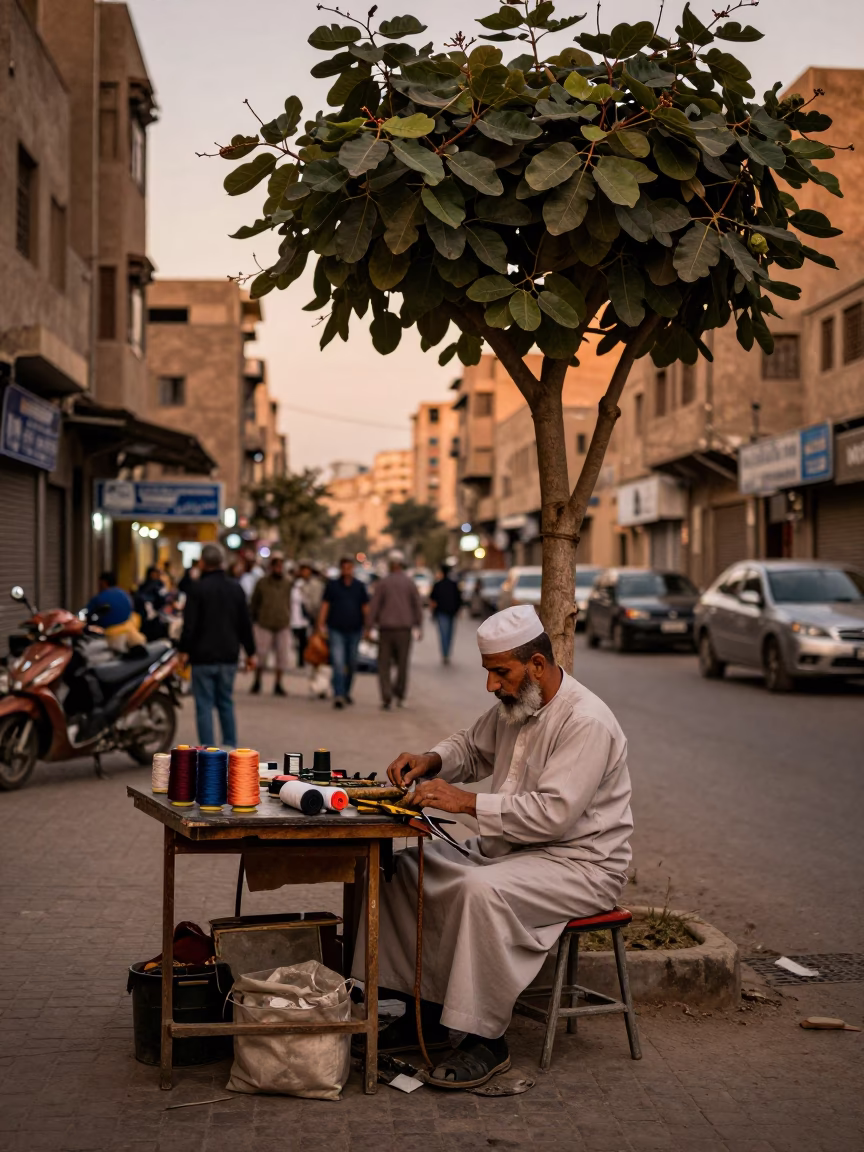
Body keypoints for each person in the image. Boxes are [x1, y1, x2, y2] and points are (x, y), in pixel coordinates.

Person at [354, 604, 632, 1089]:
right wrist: (432, 759)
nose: (491, 685)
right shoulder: (517, 703)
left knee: (480, 890)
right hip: (514, 852)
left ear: (537, 666)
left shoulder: (586, 721)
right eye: (489, 672)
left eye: (499, 672)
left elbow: (553, 814)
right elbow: (471, 747)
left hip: (581, 865)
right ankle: (425, 1006)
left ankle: (486, 1039)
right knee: (402, 869)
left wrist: (464, 803)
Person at [178, 543, 256, 748]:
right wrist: (251, 652)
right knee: (225, 702)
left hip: (202, 657)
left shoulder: (197, 589)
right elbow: (244, 624)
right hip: (228, 655)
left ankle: (208, 751)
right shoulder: (235, 588)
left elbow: (190, 625)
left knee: (203, 705)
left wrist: (184, 650)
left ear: (202, 562)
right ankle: (230, 748)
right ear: (222, 562)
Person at [366, 549, 422, 710]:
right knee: (402, 664)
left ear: (391, 565)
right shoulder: (409, 583)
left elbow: (374, 606)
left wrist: (369, 626)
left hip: (386, 630)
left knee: (384, 664)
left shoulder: (383, 583)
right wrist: (418, 626)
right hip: (404, 629)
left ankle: (386, 696)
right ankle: (400, 695)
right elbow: (417, 605)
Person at [317, 555, 369, 709]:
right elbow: (325, 606)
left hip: (354, 630)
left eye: (349, 568)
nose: (347, 571)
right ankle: (338, 694)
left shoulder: (359, 586)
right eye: (344, 568)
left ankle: (346, 692)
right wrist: (320, 625)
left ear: (353, 569)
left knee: (351, 663)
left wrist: (368, 627)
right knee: (338, 662)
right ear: (341, 569)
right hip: (336, 629)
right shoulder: (332, 585)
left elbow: (365, 608)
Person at [249, 552, 293, 696]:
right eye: (276, 565)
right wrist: (253, 619)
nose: (278, 568)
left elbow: (290, 602)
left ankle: (278, 683)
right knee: (261, 655)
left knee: (282, 657)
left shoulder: (287, 583)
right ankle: (257, 681)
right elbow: (254, 603)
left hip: (282, 623)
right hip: (264, 623)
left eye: (280, 565)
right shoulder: (262, 583)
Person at [429, 565, 463, 665]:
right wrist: (458, 610)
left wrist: (432, 612)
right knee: (449, 634)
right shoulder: (454, 584)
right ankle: (446, 653)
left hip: (442, 613)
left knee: (444, 634)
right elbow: (459, 599)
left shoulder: (438, 585)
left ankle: (445, 654)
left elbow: (433, 600)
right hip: (451, 612)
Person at [135, 566, 169, 641]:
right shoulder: (144, 585)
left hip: (154, 615)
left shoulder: (159, 585)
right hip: (144, 616)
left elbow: (163, 599)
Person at [289, 563, 312, 668]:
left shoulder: (310, 584)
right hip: (294, 615)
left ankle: (302, 660)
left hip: (304, 617)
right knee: (295, 639)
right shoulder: (293, 584)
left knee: (303, 640)